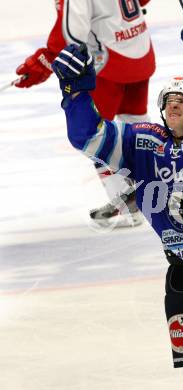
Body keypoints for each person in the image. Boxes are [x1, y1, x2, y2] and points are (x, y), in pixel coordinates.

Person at [52, 23, 183, 390]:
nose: (174, 103)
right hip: (181, 269)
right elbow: (87, 137)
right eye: (169, 99)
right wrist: (74, 94)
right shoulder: (142, 142)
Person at [14, 0, 155, 229]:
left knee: (95, 133)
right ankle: (155, 186)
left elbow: (70, 38)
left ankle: (127, 206)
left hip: (108, 63)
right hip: (139, 49)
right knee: (136, 122)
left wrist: (42, 62)